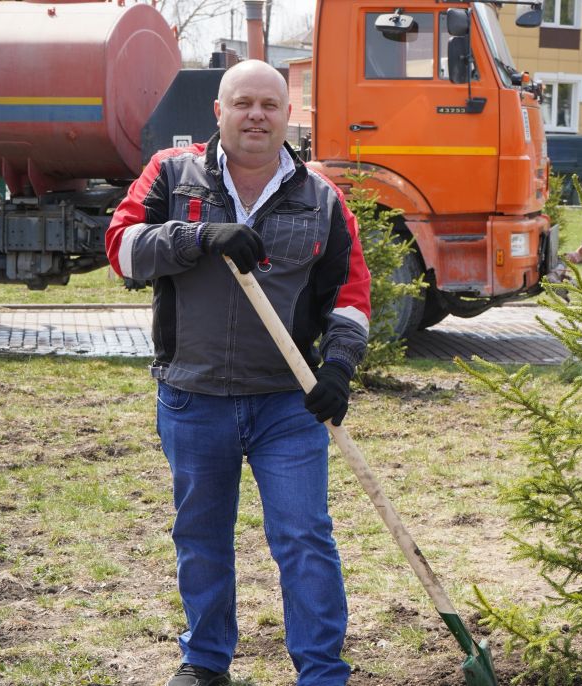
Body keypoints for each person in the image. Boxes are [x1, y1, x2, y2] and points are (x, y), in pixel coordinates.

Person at [105, 60, 372, 686]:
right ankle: (205, 663)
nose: (257, 115)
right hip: (193, 397)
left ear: (287, 118)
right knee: (200, 535)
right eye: (243, 103)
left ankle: (322, 672)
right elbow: (120, 250)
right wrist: (199, 237)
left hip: (288, 403)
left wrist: (337, 366)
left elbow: (351, 297)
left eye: (269, 106)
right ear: (218, 112)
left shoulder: (322, 198)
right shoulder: (171, 176)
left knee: (304, 538)